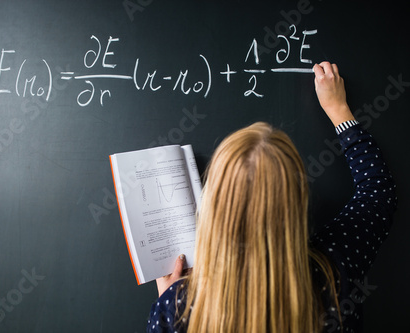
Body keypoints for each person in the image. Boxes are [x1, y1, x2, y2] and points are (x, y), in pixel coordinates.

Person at [146, 62, 397, 333]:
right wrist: (338, 109)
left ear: (214, 203)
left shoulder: (178, 308)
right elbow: (378, 192)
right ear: (297, 200)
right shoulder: (334, 269)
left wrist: (168, 301)